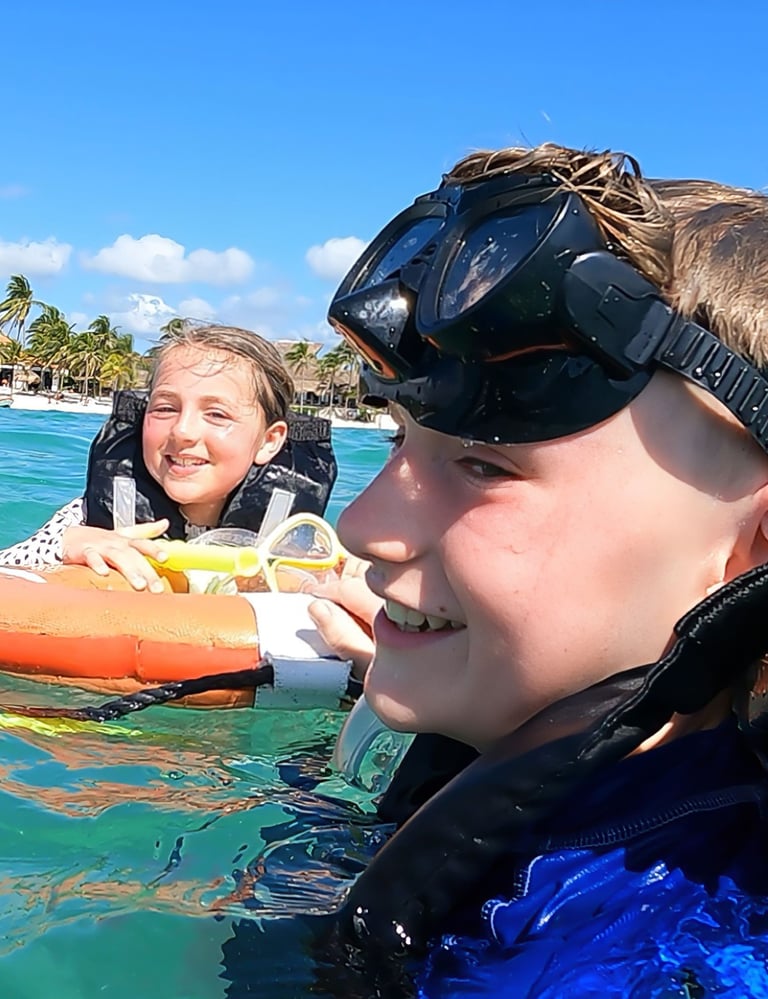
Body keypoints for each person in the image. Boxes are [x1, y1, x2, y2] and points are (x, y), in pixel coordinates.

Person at [228, 145, 768, 996]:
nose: (365, 527)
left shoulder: (660, 961)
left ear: (751, 551)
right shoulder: (494, 756)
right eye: (399, 439)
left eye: (486, 465)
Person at [0, 323, 337, 591]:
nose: (183, 431)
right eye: (165, 408)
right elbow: (9, 566)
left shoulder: (298, 540)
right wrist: (61, 546)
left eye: (217, 414)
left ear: (269, 441)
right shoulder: (87, 517)